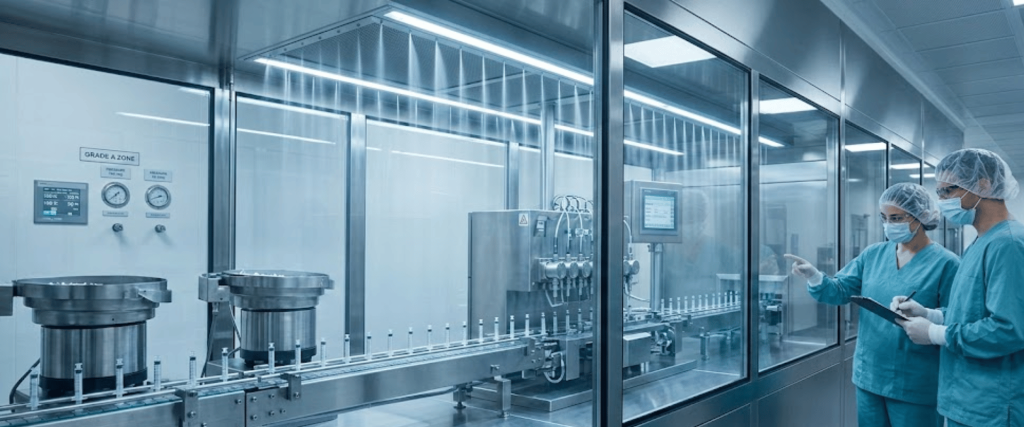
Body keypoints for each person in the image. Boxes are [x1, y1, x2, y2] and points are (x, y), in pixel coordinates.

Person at [787, 183, 959, 427]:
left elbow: (960, 316)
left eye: (896, 217)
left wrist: (928, 314)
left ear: (920, 216)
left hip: (916, 382)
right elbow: (839, 291)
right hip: (870, 375)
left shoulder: (947, 263)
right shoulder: (873, 254)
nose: (889, 224)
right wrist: (815, 276)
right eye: (884, 218)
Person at [892, 148, 1024, 427]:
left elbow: (1010, 329)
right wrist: (931, 314)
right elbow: (974, 309)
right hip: (967, 398)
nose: (941, 203)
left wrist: (936, 334)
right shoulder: (981, 241)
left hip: (993, 405)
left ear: (983, 185)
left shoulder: (1009, 244)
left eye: (947, 192)